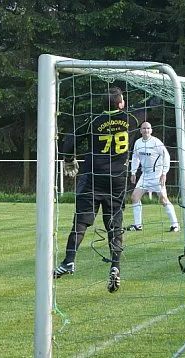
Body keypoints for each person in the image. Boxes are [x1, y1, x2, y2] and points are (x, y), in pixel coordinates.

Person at [54, 87, 152, 293]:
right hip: (117, 181)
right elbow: (148, 105)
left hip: (93, 179)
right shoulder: (131, 119)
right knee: (114, 225)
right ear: (120, 104)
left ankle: (69, 261)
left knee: (80, 222)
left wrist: (69, 159)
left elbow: (71, 139)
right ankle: (115, 265)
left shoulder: (93, 121)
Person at [124, 122, 179, 232]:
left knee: (163, 199)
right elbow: (135, 158)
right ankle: (137, 225)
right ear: (140, 130)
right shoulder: (138, 143)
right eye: (144, 128)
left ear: (151, 130)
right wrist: (133, 172)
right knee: (135, 197)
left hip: (157, 175)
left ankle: (175, 225)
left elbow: (166, 156)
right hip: (145, 175)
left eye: (148, 128)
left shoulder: (156, 142)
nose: (146, 130)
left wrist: (164, 173)